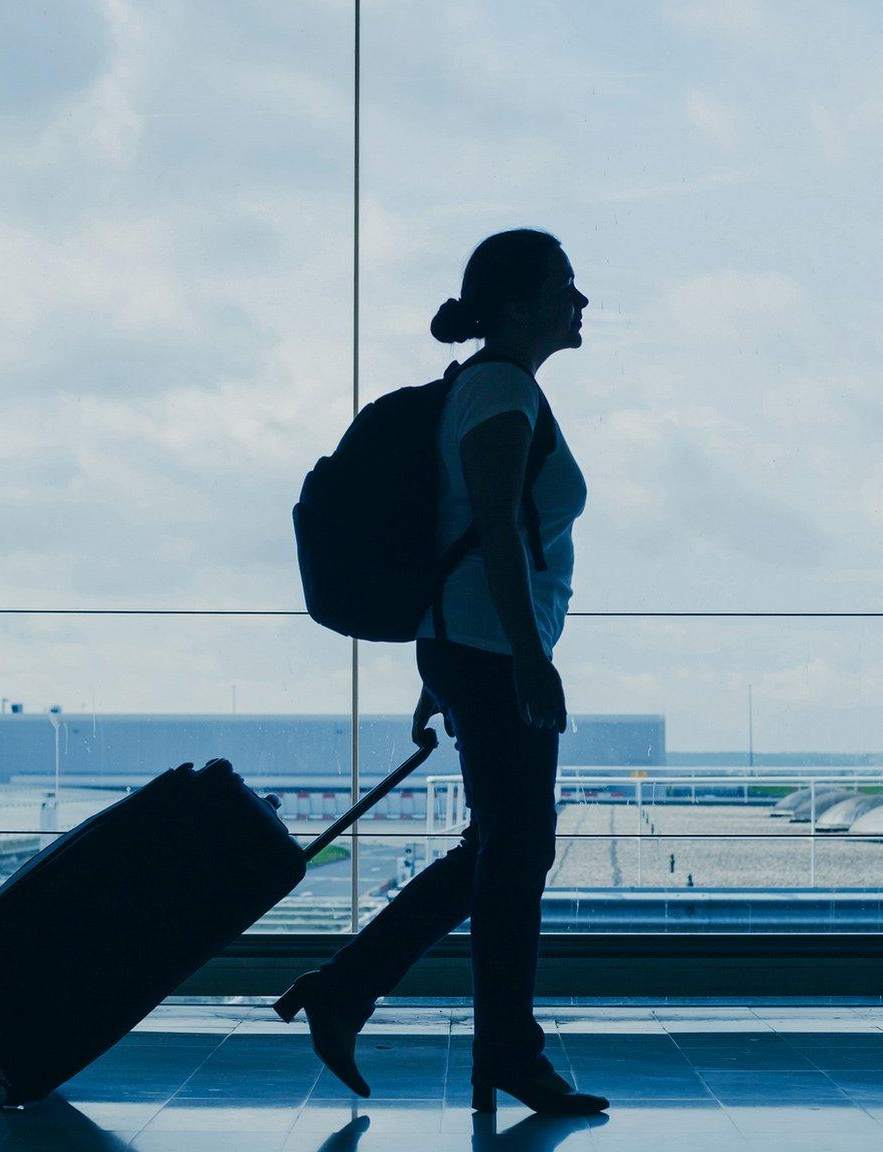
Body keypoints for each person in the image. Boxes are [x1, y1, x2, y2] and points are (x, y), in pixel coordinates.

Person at [277, 228, 605, 1116]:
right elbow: (494, 529)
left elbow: (460, 533)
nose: (581, 302)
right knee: (517, 848)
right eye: (564, 286)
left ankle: (354, 990)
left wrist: (444, 663)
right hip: (493, 650)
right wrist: (530, 662)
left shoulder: (491, 386)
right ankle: (503, 1049)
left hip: (471, 645)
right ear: (517, 304)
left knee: (500, 849)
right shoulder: (500, 387)